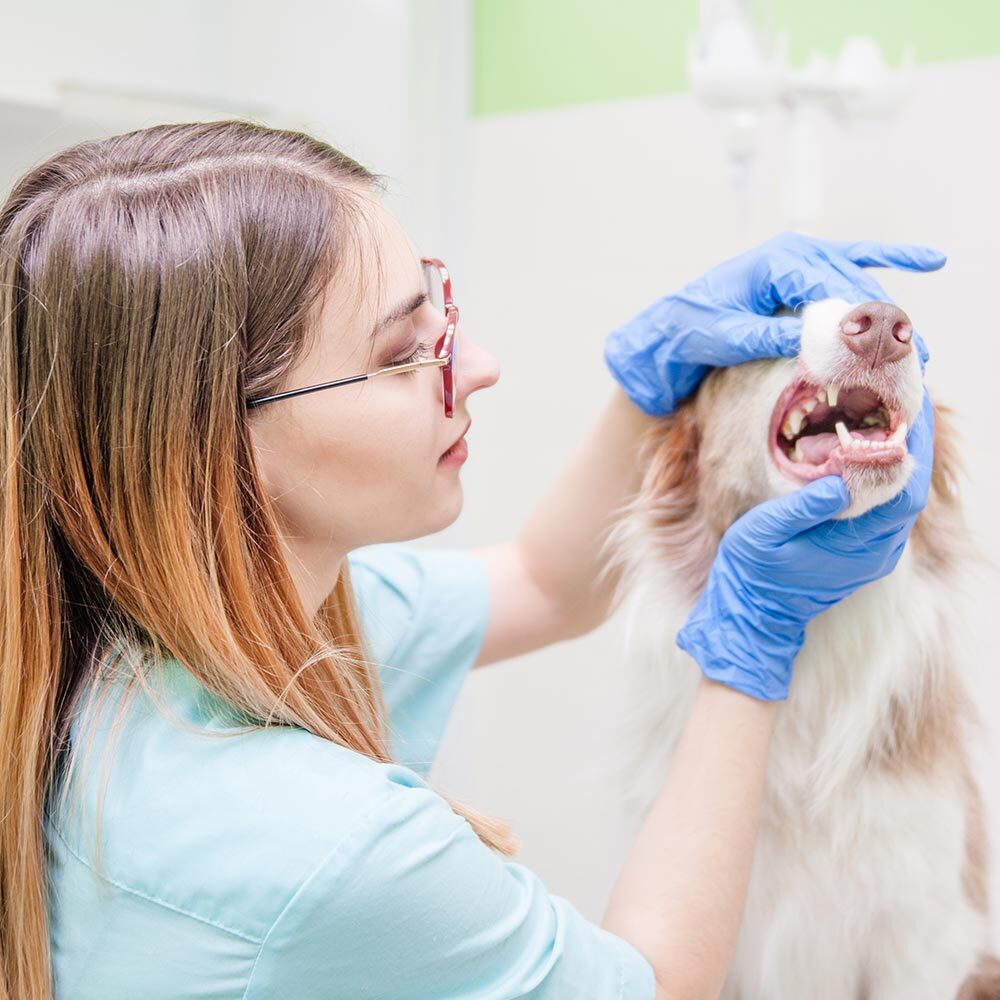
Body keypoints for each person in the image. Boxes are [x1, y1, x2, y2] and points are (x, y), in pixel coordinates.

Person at [0, 120, 942, 1000]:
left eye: (439, 306)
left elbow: (547, 583)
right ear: (221, 444)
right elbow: (650, 987)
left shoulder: (174, 644)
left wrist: (643, 382)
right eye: (405, 350)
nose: (478, 363)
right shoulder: (323, 842)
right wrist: (755, 641)